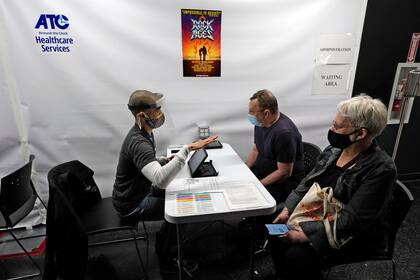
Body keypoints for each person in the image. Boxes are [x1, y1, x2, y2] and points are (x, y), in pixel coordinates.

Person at [268, 95, 397, 280]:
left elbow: (352, 221)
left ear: (361, 134)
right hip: (323, 214)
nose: (331, 129)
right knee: (276, 222)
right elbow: (309, 181)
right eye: (333, 123)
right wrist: (288, 208)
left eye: (337, 127)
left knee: (298, 255)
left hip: (357, 235)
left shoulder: (381, 169)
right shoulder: (334, 151)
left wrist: (307, 235)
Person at [112, 90, 217, 274]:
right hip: (131, 204)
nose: (160, 113)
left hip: (137, 192)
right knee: (183, 210)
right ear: (142, 116)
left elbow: (145, 165)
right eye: (157, 110)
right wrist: (187, 149)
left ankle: (164, 239)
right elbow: (160, 180)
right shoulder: (138, 142)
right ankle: (169, 259)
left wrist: (162, 161)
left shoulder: (144, 132)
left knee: (182, 193)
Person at [246, 89, 305, 203]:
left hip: (283, 185)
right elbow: (256, 149)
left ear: (266, 113)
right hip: (263, 175)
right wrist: (245, 170)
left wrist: (258, 185)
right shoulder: (261, 123)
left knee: (249, 197)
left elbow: (283, 173)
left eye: (252, 112)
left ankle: (257, 220)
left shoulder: (284, 133)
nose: (250, 115)